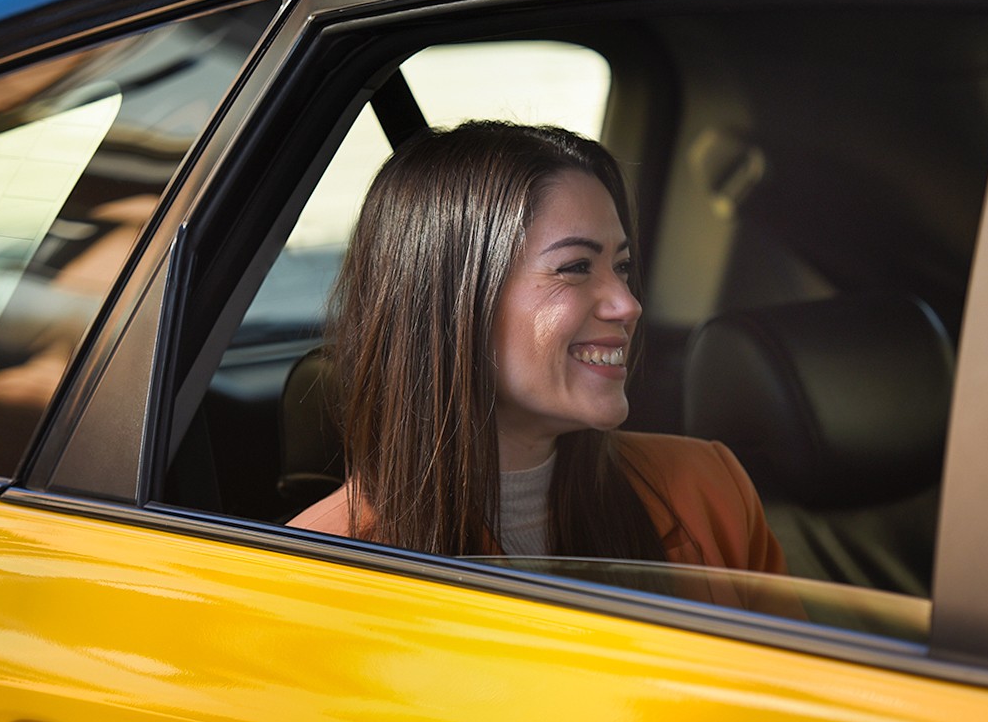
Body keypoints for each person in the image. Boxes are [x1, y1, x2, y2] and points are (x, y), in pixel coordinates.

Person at [290, 120, 785, 575]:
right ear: (451, 302)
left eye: (622, 267)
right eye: (575, 268)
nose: (628, 304)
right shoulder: (319, 571)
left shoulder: (710, 489)